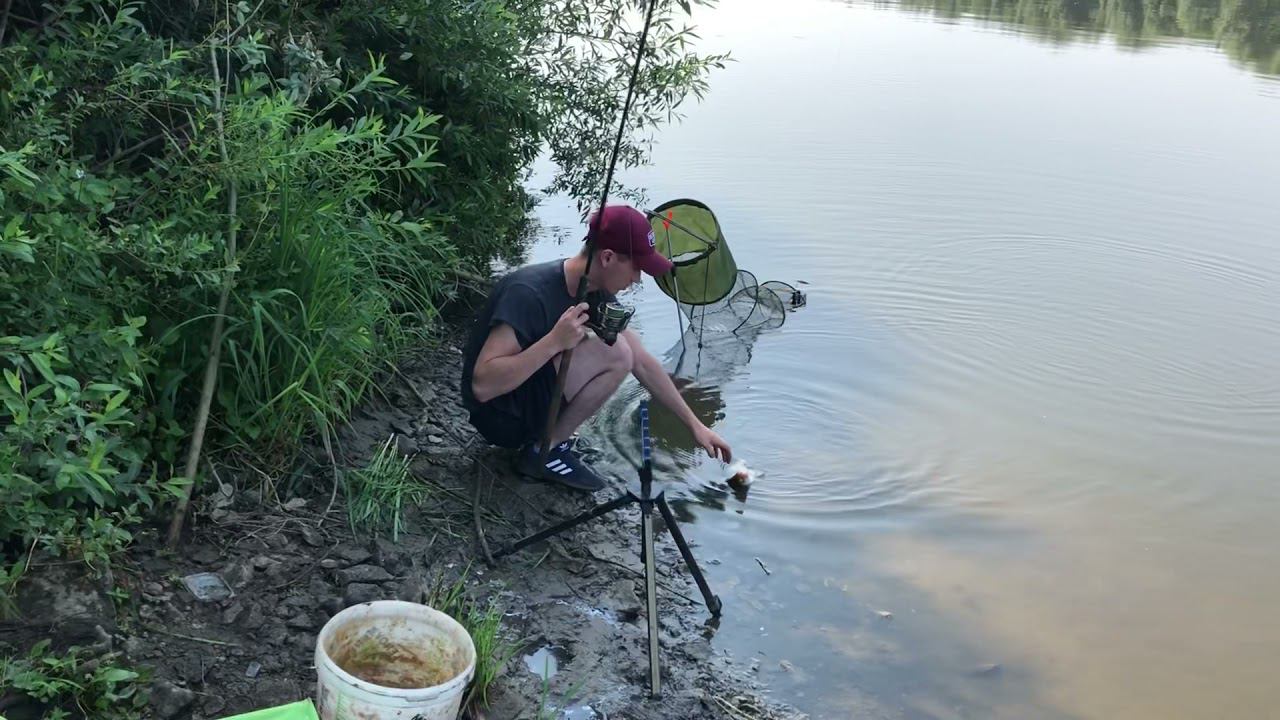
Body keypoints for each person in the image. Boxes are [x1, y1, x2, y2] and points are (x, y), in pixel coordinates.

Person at [460, 204, 733, 491]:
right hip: (500, 417)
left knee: (626, 347)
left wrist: (695, 426)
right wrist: (554, 342)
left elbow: (642, 361)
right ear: (607, 257)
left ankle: (551, 442)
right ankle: (544, 452)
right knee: (617, 353)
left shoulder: (593, 292)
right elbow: (483, 385)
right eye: (636, 268)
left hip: (525, 403)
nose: (637, 280)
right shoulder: (528, 292)